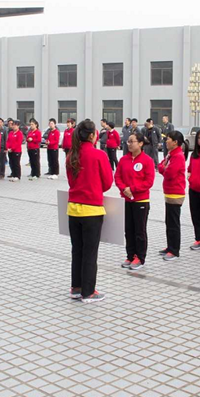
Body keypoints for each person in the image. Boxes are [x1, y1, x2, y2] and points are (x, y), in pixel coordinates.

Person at [66, 119, 113, 303]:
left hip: (73, 209)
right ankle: (88, 292)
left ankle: (76, 288)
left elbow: (71, 182)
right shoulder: (99, 155)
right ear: (93, 135)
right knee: (90, 253)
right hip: (92, 210)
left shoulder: (71, 155)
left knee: (77, 250)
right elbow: (107, 183)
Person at [114, 132, 155, 270]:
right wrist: (124, 188)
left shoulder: (147, 160)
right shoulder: (124, 160)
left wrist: (133, 189)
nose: (130, 144)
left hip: (140, 201)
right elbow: (117, 176)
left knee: (139, 230)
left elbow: (149, 182)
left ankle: (140, 257)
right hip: (126, 199)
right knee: (128, 229)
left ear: (141, 143)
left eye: (132, 141)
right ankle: (130, 255)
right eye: (128, 142)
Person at [158, 130, 187, 261]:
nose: (166, 141)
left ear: (175, 142)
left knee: (174, 223)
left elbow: (170, 173)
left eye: (168, 139)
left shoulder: (178, 156)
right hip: (169, 192)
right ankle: (170, 246)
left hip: (176, 193)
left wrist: (164, 168)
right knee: (169, 222)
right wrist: (163, 167)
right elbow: (160, 166)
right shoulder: (171, 154)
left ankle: (174, 250)